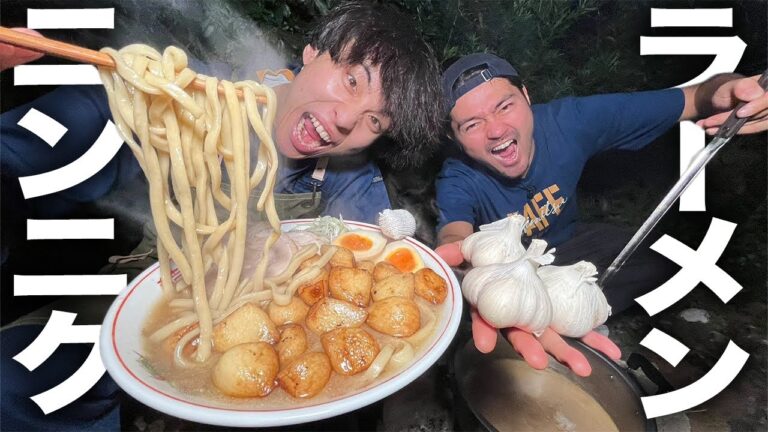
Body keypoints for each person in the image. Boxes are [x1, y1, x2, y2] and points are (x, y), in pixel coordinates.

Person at [0, 2, 442, 430]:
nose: (347, 120)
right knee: (17, 380)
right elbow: (40, 147)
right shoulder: (185, 98)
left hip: (267, 337)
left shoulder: (348, 174)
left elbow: (377, 265)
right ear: (312, 51)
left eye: (375, 122)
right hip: (135, 290)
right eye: (351, 80)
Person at [434, 53, 768, 377]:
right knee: (478, 314)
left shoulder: (570, 122)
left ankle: (577, 312)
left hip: (569, 246)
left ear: (526, 95)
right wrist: (462, 260)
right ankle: (547, 325)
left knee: (663, 257)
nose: (496, 130)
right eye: (472, 124)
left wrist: (725, 90)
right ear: (454, 137)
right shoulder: (458, 176)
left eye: (504, 106)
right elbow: (454, 235)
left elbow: (694, 99)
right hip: (508, 271)